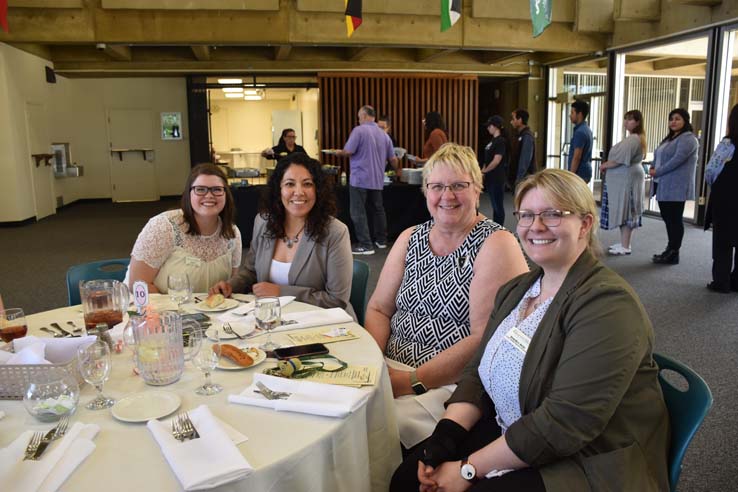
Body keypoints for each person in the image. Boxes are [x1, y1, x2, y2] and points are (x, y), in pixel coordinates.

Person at [391, 168, 670, 492]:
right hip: (512, 425)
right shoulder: (519, 289)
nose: (535, 226)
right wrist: (446, 436)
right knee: (406, 480)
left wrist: (468, 470)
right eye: (526, 215)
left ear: (585, 224)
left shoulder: (608, 305)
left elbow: (564, 424)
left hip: (585, 460)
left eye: (552, 214)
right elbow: (478, 372)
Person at [365, 143, 528, 451]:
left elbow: (483, 338)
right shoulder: (410, 237)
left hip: (448, 388)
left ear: (477, 189)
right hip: (388, 369)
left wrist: (410, 380)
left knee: (369, 432)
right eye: (437, 186)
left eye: (458, 186)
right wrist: (373, 365)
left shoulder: (496, 243)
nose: (447, 196)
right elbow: (378, 308)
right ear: (425, 191)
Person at [210, 153, 355, 318]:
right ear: (278, 189)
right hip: (270, 319)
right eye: (289, 184)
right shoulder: (263, 222)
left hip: (321, 324)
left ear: (318, 190)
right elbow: (251, 272)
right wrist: (231, 285)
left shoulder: (335, 232)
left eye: (307, 184)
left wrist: (281, 292)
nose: (298, 192)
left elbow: (337, 300)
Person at [127, 163, 241, 294]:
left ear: (226, 194)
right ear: (189, 193)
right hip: (162, 311)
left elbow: (229, 286)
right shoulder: (163, 227)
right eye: (200, 189)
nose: (209, 195)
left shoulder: (233, 234)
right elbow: (138, 284)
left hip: (211, 312)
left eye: (217, 189)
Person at [336, 105, 397, 255]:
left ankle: (366, 245)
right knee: (378, 209)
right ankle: (381, 241)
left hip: (360, 178)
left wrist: (339, 152)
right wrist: (398, 171)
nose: (358, 119)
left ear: (363, 116)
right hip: (377, 178)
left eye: (359, 116)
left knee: (358, 211)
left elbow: (349, 151)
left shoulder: (359, 130)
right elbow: (394, 159)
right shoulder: (384, 135)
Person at [649, 108, 699, 265]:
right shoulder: (670, 139)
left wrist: (657, 171)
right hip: (664, 184)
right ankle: (670, 249)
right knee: (668, 218)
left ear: (685, 120)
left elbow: (677, 160)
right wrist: (651, 167)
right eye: (671, 119)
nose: (673, 122)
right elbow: (658, 156)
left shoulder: (688, 139)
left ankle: (673, 252)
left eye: (677, 119)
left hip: (676, 186)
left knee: (674, 220)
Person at [599, 109, 647, 255]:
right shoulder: (636, 138)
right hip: (627, 178)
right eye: (626, 119)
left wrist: (605, 165)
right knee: (626, 211)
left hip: (627, 180)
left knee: (626, 211)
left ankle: (625, 246)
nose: (627, 122)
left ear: (638, 122)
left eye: (631, 119)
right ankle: (625, 243)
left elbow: (620, 160)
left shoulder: (633, 139)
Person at [704, 103, 738, 293]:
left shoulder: (727, 144)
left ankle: (721, 282)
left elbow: (711, 170)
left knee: (723, 242)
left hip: (726, 198)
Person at [480, 115, 508, 226]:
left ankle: (499, 227)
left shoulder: (501, 141)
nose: (488, 128)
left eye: (489, 126)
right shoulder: (492, 141)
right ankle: (496, 226)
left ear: (496, 127)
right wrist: (483, 170)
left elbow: (496, 160)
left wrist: (484, 171)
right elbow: (487, 159)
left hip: (497, 177)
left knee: (498, 205)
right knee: (494, 204)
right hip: (491, 177)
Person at [568, 99, 593, 184]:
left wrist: (570, 176)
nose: (570, 115)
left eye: (572, 113)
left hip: (580, 173)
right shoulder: (586, 129)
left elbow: (577, 157)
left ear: (580, 114)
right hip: (584, 171)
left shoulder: (580, 132)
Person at [510, 109, 535, 184]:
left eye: (513, 119)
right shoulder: (519, 135)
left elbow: (525, 159)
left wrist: (519, 179)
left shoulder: (527, 136)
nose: (511, 122)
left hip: (524, 180)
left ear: (520, 120)